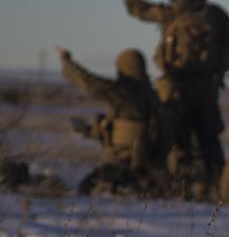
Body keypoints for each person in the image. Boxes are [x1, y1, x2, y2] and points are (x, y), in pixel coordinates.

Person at [108, 0, 229, 200]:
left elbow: (141, 10)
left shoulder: (171, 14)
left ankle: (181, 189)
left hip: (174, 87)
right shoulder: (217, 15)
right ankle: (217, 188)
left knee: (177, 140)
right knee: (209, 140)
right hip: (207, 87)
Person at [57, 46, 165, 195]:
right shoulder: (153, 95)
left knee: (84, 189)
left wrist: (67, 62)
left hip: (122, 162)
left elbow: (88, 82)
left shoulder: (121, 91)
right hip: (149, 164)